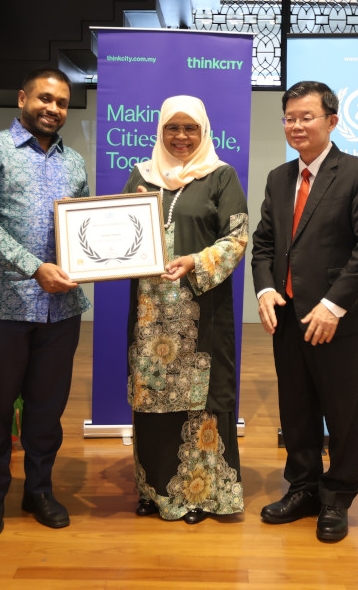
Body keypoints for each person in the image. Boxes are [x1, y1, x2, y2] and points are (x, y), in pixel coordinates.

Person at [251, 80, 358, 543]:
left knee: (341, 412)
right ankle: (304, 488)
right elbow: (264, 245)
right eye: (289, 118)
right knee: (297, 411)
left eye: (306, 117)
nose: (296, 126)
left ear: (332, 120)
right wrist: (265, 290)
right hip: (287, 317)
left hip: (336, 321)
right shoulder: (279, 178)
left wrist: (333, 306)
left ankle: (338, 498)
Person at [0, 68, 90, 539]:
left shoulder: (74, 162)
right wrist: (33, 266)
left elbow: (80, 228)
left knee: (46, 408)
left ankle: (39, 489)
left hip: (62, 309)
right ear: (22, 98)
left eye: (60, 102)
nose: (52, 108)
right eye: (44, 98)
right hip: (3, 304)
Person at [122, 95, 248, 523]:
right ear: (160, 131)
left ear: (203, 131)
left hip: (202, 313)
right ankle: (154, 491)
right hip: (150, 314)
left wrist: (196, 261)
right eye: (172, 128)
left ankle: (199, 495)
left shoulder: (220, 176)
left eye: (189, 128)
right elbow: (117, 237)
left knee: (200, 404)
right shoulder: (140, 175)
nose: (180, 136)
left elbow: (237, 238)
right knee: (151, 400)